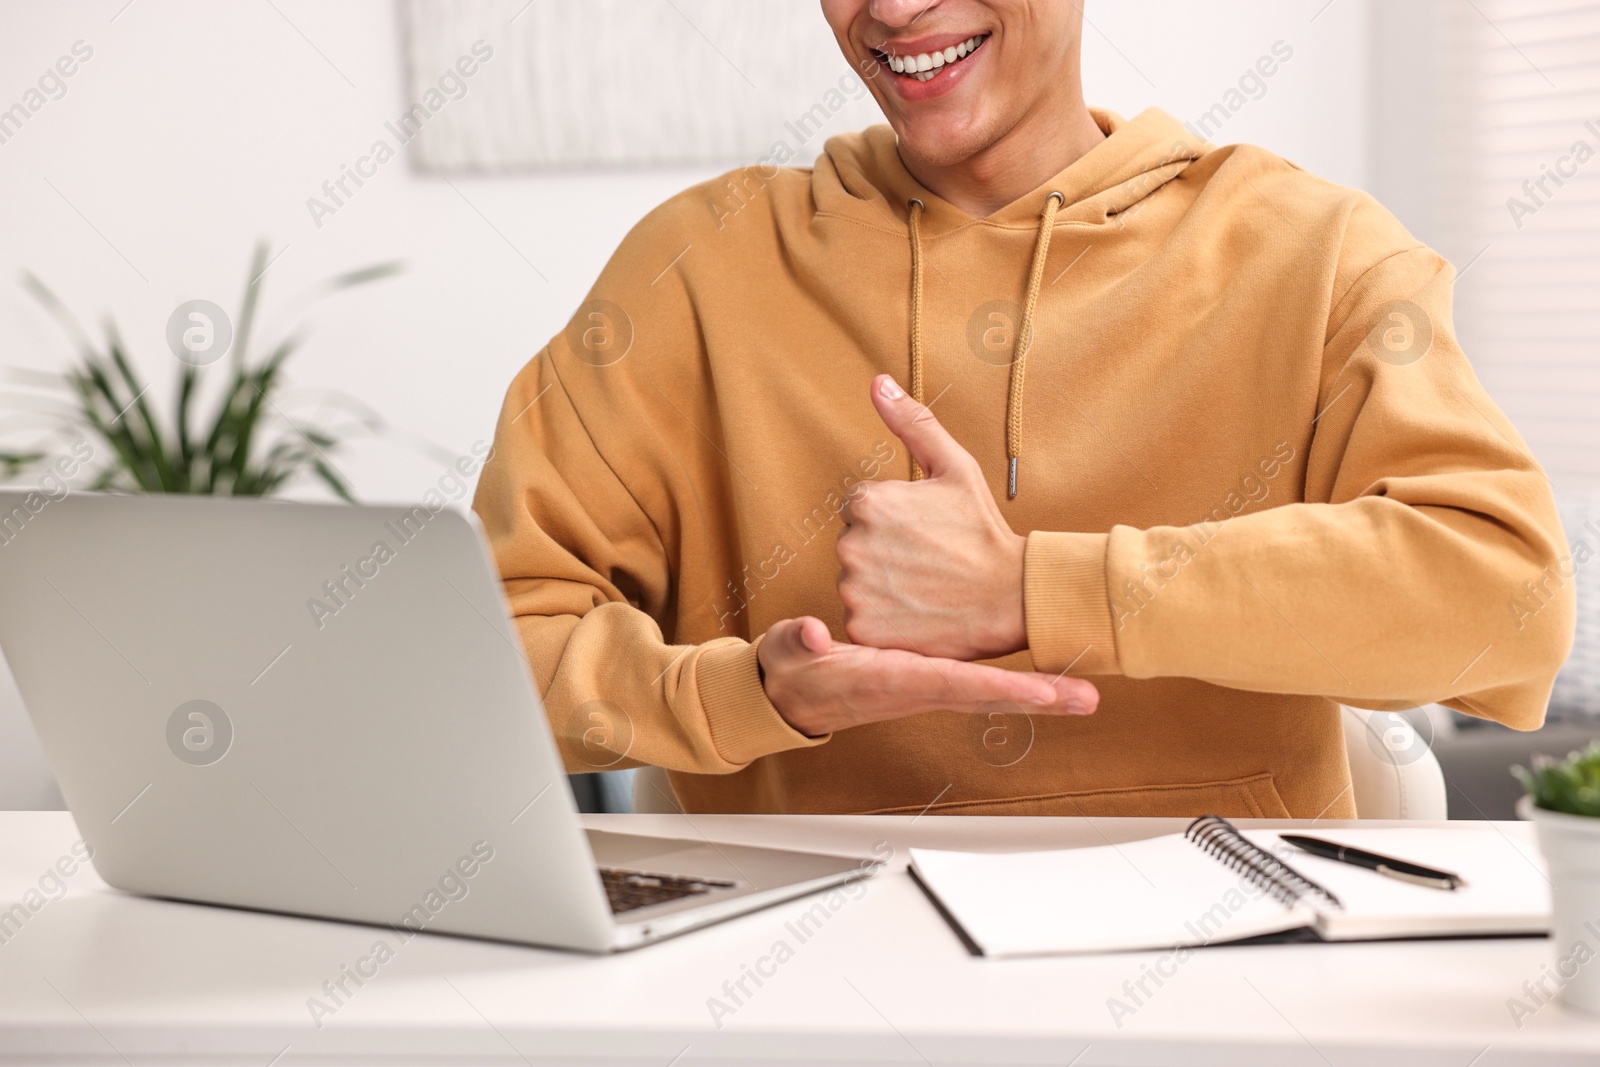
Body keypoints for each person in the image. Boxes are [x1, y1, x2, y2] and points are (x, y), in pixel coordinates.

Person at [471, 0, 1572, 818]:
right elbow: (481, 650)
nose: (894, 12)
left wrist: (1036, 587)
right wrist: (747, 693)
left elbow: (1508, 594)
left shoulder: (1312, 251)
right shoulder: (696, 270)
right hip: (811, 986)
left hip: (1220, 972)